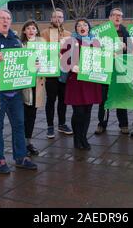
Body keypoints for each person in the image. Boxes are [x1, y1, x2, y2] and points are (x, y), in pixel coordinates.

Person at [0, 7, 38, 174]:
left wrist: (33, 65)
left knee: (19, 125)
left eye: (8, 19)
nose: (5, 21)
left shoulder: (16, 39)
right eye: (2, 18)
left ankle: (21, 157)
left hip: (15, 92)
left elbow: (23, 64)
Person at [62, 19, 103, 149]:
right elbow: (63, 60)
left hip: (90, 81)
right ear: (76, 29)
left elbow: (102, 59)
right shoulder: (70, 41)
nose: (82, 27)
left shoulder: (95, 42)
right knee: (78, 112)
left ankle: (84, 137)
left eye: (85, 25)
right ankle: (77, 138)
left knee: (87, 111)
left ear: (89, 28)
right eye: (79, 25)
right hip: (76, 82)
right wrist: (71, 66)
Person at [95, 8, 130, 135]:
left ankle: (124, 124)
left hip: (120, 71)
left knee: (121, 98)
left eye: (120, 15)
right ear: (109, 17)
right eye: (114, 15)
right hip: (105, 70)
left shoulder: (126, 32)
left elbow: (131, 51)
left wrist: (126, 47)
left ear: (122, 19)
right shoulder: (101, 32)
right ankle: (101, 124)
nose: (117, 17)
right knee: (104, 100)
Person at [41, 8, 73, 139]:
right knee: (51, 100)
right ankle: (50, 126)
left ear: (63, 19)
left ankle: (62, 123)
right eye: (55, 17)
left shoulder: (68, 34)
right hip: (51, 73)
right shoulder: (44, 33)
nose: (57, 19)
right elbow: (41, 51)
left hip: (64, 71)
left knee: (63, 100)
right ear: (51, 19)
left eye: (60, 17)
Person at [20, 20, 46, 156]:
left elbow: (49, 61)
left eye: (33, 28)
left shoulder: (43, 45)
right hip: (24, 86)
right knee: (22, 116)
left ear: (37, 31)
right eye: (28, 28)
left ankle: (28, 141)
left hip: (37, 85)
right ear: (24, 31)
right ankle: (21, 143)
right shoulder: (20, 45)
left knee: (32, 116)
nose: (31, 30)